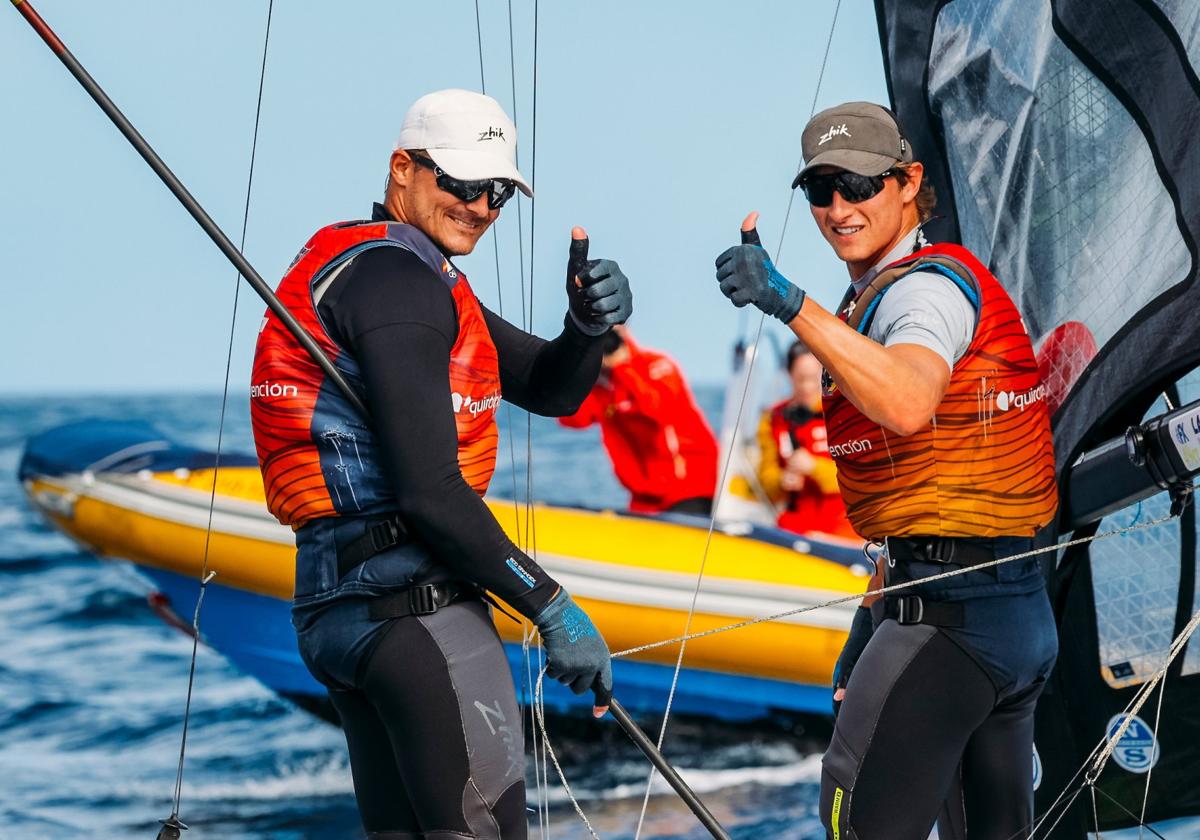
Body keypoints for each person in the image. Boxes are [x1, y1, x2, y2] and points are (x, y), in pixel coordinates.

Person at [250, 89, 632, 840]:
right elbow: (428, 493)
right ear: (403, 168)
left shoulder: (376, 268)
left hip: (336, 617)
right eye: (461, 182)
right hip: (416, 617)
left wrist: (585, 328)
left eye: (498, 191)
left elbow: (550, 386)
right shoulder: (401, 285)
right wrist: (549, 605)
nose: (482, 206)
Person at [714, 102, 1059, 840]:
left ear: (909, 183)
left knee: (851, 821)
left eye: (860, 185)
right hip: (1009, 615)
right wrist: (872, 615)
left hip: (951, 625)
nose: (839, 208)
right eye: (820, 190)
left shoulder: (921, 291)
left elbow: (907, 401)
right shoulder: (896, 289)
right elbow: (922, 490)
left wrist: (787, 302)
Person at [558, 326, 718, 515]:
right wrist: (581, 369)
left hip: (690, 484)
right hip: (644, 495)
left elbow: (657, 409)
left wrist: (622, 366)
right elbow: (572, 419)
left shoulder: (656, 365)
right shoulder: (599, 383)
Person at [756, 340, 855, 538]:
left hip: (843, 528)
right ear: (789, 375)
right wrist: (781, 481)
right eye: (800, 379)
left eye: (813, 378)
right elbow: (765, 482)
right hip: (795, 526)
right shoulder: (773, 419)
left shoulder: (846, 413)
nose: (807, 386)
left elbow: (860, 477)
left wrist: (813, 467)